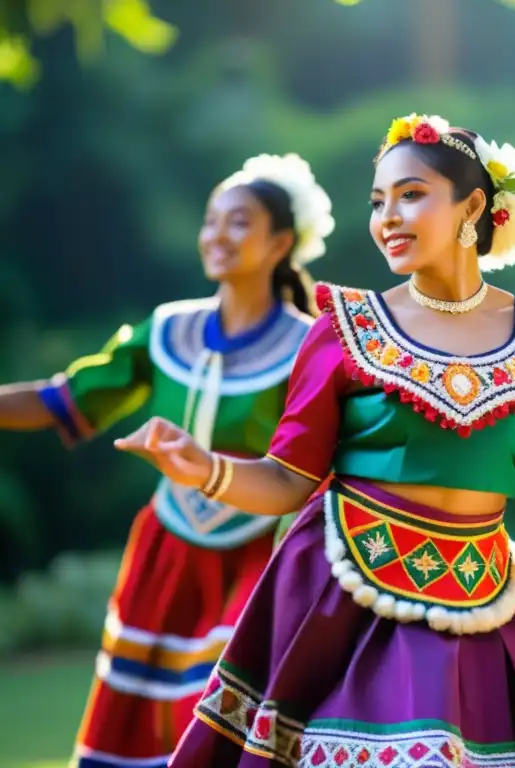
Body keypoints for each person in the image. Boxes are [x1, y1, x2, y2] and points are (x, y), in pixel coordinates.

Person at [114, 113, 515, 767]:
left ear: (474, 206)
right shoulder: (344, 329)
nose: (388, 216)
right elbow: (286, 480)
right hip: (343, 598)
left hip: (479, 600)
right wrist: (205, 469)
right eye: (378, 201)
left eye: (411, 195)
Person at [0, 152, 334, 767]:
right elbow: (63, 398)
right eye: (212, 220)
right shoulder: (166, 331)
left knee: (224, 718)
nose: (217, 235)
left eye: (239, 222)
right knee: (138, 725)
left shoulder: (310, 346)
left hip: (258, 555)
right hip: (166, 552)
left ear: (281, 241)